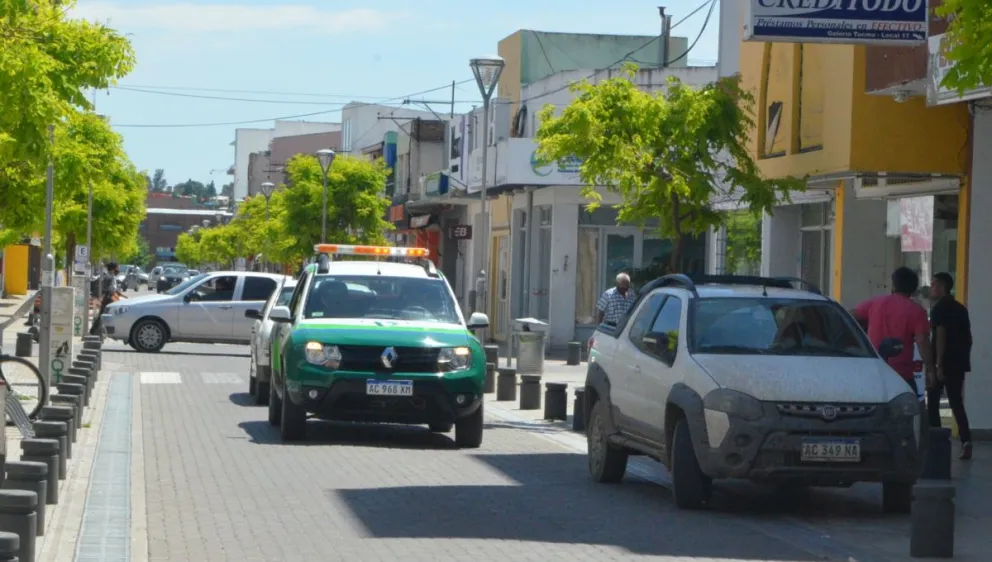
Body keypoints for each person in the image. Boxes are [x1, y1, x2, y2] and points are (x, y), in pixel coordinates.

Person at [852, 267, 935, 396]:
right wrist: (931, 369)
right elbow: (922, 341)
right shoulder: (917, 311)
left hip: (875, 369)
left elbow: (849, 316)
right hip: (901, 374)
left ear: (894, 285)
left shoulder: (875, 303)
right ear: (913, 289)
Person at [927, 272, 973, 460]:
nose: (931, 289)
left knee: (933, 401)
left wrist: (938, 364)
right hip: (958, 363)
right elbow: (968, 338)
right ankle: (966, 440)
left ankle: (936, 442)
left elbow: (940, 336)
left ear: (942, 287)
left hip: (942, 363)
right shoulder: (961, 309)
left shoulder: (939, 309)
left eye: (933, 285)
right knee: (956, 403)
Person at [90, 262, 125, 335]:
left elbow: (113, 289)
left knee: (103, 314)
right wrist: (101, 298)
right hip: (108, 298)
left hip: (109, 298)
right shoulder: (109, 277)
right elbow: (107, 289)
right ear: (112, 269)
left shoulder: (111, 276)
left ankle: (95, 331)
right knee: (103, 315)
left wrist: (122, 295)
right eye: (117, 268)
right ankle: (94, 331)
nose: (118, 270)